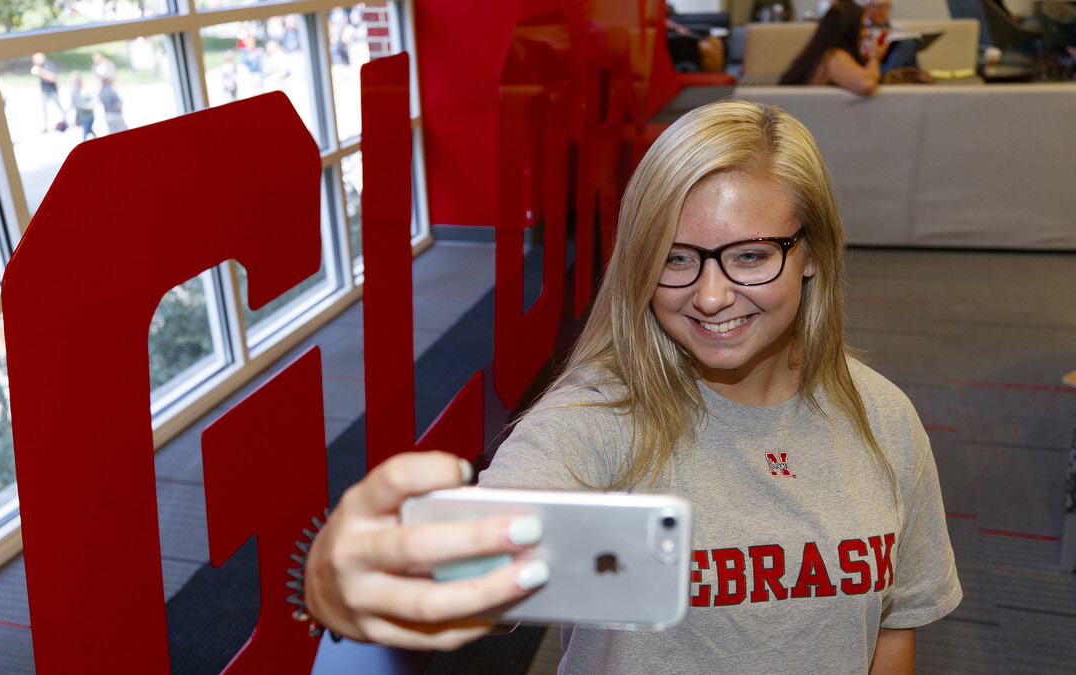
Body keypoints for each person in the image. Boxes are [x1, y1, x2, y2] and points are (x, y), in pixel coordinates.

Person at [302, 99, 963, 670]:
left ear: (812, 251)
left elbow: (891, 632)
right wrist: (354, 577)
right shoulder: (595, 418)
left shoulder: (884, 418)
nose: (709, 295)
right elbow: (486, 551)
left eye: (750, 255)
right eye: (675, 258)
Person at [779, 1, 889, 94]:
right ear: (849, 30)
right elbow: (866, 84)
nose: (866, 34)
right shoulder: (834, 56)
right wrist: (874, 57)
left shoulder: (824, 53)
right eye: (862, 28)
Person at [30, 52, 66, 132]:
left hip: (52, 89)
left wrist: (41, 72)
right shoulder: (38, 66)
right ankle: (46, 126)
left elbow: (53, 78)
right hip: (44, 90)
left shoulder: (49, 65)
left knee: (59, 106)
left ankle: (65, 121)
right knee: (44, 108)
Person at [69, 73, 97, 141]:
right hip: (81, 117)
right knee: (88, 130)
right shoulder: (74, 92)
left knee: (85, 136)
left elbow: (92, 105)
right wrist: (76, 117)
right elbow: (75, 107)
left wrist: (79, 104)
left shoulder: (86, 91)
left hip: (88, 117)